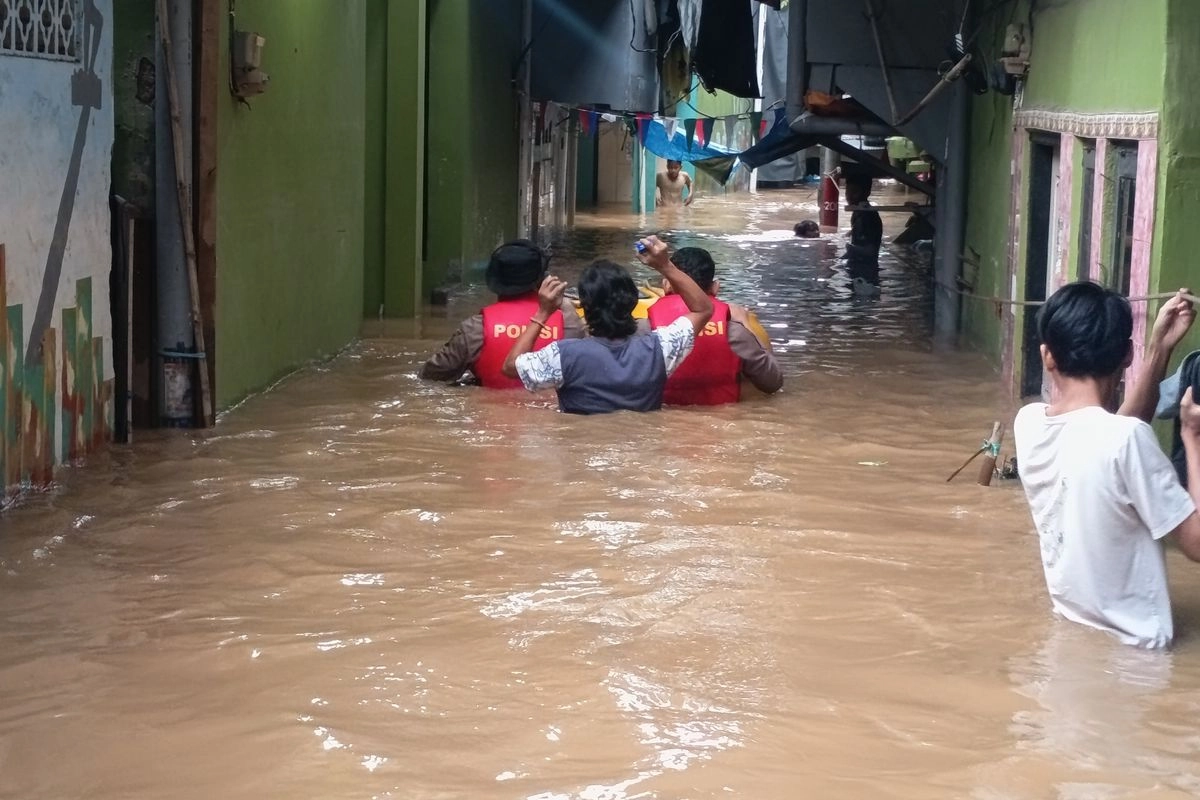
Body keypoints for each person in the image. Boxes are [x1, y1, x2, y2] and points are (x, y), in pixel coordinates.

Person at [1013, 281, 1200, 648]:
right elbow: (1197, 546)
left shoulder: (1029, 422)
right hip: (1136, 656)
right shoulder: (1124, 440)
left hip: (1071, 635)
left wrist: (1161, 348)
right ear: (1126, 355)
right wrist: (1192, 439)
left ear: (1047, 355)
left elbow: (1108, 435)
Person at [501, 236, 713, 414]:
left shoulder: (562, 356)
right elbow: (703, 309)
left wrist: (543, 312)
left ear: (583, 306)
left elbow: (510, 368)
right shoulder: (661, 348)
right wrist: (665, 265)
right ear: (632, 302)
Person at [420, 240, 584, 388]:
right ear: (542, 280)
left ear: (493, 281)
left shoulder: (475, 329)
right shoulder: (569, 322)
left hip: (493, 416)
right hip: (551, 416)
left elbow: (430, 377)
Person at [646, 246, 782, 405]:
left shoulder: (646, 329)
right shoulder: (735, 333)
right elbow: (773, 382)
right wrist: (747, 326)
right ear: (715, 287)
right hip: (722, 418)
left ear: (666, 285)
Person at [844, 173, 882, 260]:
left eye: (854, 192)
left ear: (867, 193)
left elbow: (871, 252)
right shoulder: (858, 212)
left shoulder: (868, 216)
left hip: (866, 268)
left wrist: (849, 248)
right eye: (847, 191)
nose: (849, 196)